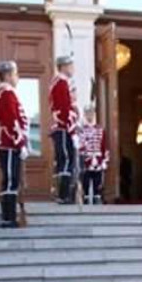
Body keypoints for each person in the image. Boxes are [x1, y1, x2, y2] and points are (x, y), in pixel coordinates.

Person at [0, 60, 29, 228]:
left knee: (13, 180)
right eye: (15, 74)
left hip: (11, 143)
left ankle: (10, 215)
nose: (17, 77)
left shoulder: (9, 93)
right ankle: (8, 217)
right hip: (9, 144)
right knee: (9, 180)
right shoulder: (6, 93)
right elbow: (10, 120)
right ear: (7, 75)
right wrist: (19, 142)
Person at [50, 55, 80, 204]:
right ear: (63, 66)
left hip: (66, 127)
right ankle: (63, 194)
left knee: (67, 160)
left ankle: (65, 193)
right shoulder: (61, 83)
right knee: (66, 160)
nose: (72, 68)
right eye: (70, 65)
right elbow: (64, 108)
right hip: (63, 128)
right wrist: (72, 129)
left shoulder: (65, 82)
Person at [78, 103, 109, 205]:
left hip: (98, 159)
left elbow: (104, 145)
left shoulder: (100, 129)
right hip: (86, 159)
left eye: (91, 113)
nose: (89, 115)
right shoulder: (81, 130)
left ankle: (96, 197)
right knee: (86, 181)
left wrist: (105, 160)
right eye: (87, 113)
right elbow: (80, 146)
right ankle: (86, 198)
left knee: (97, 181)